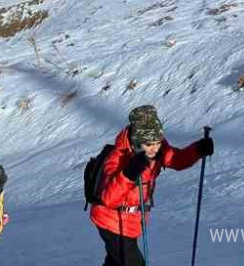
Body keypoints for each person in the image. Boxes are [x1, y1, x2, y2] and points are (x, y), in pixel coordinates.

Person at [90, 105, 213, 266]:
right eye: (150, 144)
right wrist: (129, 174)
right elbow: (109, 199)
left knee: (116, 262)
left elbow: (177, 159)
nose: (155, 148)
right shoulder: (118, 158)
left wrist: (197, 149)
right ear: (137, 142)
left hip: (132, 220)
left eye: (157, 142)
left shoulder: (158, 149)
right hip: (112, 221)